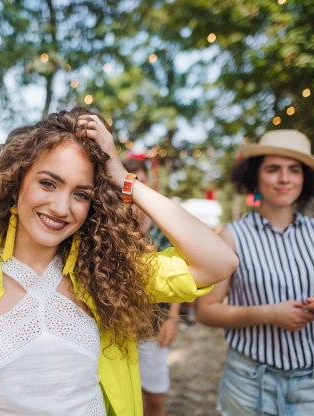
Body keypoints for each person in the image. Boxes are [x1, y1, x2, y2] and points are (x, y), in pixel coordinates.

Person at [0, 107, 238, 416]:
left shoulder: (111, 277)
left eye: (81, 194)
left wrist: (123, 177)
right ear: (15, 186)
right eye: (48, 183)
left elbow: (218, 262)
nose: (62, 208)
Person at [197, 130, 314, 416]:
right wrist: (269, 314)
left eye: (294, 170)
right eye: (273, 169)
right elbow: (206, 311)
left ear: (305, 178)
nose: (285, 179)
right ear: (255, 176)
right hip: (249, 382)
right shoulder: (233, 236)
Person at [122, 157, 179, 416]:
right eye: (127, 183)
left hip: (153, 327)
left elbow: (180, 274)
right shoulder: (111, 228)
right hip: (116, 329)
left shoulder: (163, 228)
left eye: (140, 182)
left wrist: (172, 318)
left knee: (154, 398)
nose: (134, 190)